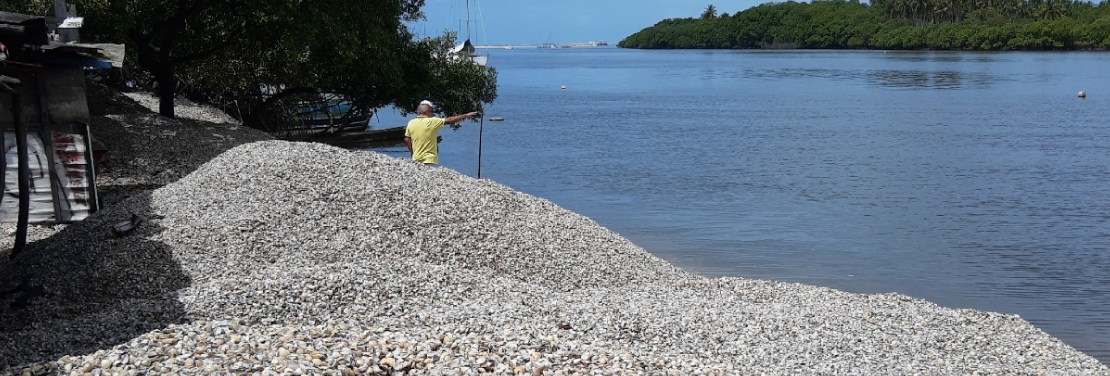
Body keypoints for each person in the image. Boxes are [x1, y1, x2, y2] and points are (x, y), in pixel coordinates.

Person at [404, 100, 478, 165]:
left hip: (416, 159)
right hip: (429, 159)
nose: (433, 114)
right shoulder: (432, 121)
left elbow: (408, 140)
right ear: (426, 112)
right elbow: (449, 120)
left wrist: (413, 153)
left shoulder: (411, 123)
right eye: (432, 111)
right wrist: (465, 115)